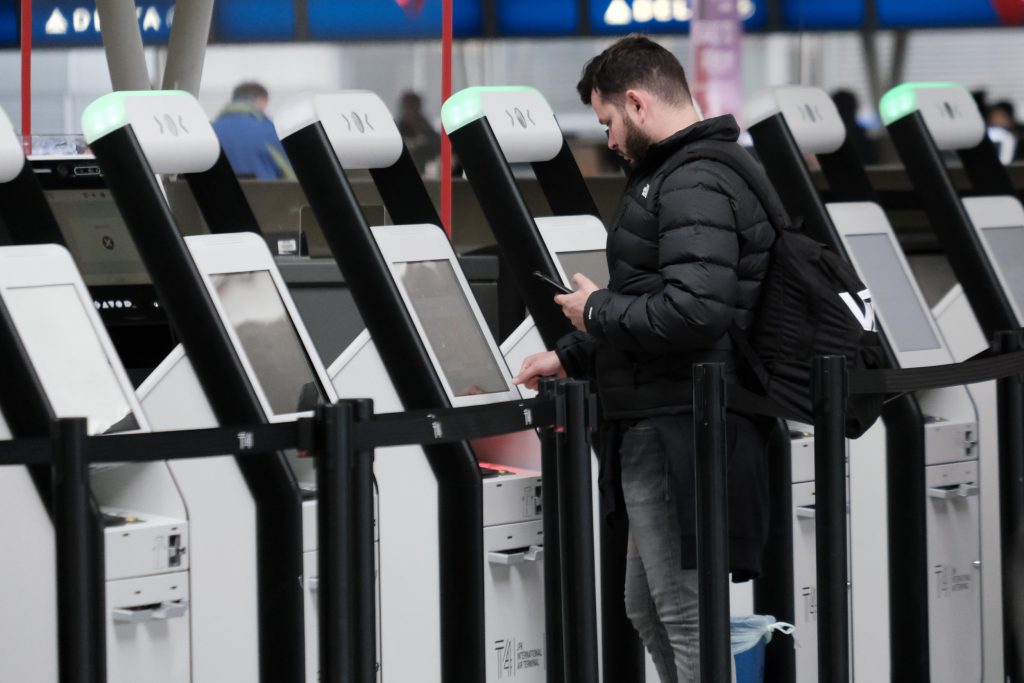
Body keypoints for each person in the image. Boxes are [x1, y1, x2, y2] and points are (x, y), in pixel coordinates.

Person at [513, 35, 775, 682]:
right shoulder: (694, 171)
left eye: (607, 122)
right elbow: (657, 297)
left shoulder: (692, 179)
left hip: (677, 427)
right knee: (646, 608)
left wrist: (596, 311)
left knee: (684, 616)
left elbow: (695, 308)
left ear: (636, 101)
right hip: (667, 417)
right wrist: (571, 352)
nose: (607, 139)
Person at [212, 82, 295, 180]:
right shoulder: (268, 130)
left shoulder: (211, 130)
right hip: (263, 193)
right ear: (261, 100)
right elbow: (291, 174)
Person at [397, 90, 441, 174]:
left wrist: (417, 129)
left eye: (412, 107)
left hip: (424, 169)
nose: (410, 111)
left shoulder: (424, 125)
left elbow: (437, 145)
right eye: (407, 107)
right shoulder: (398, 127)